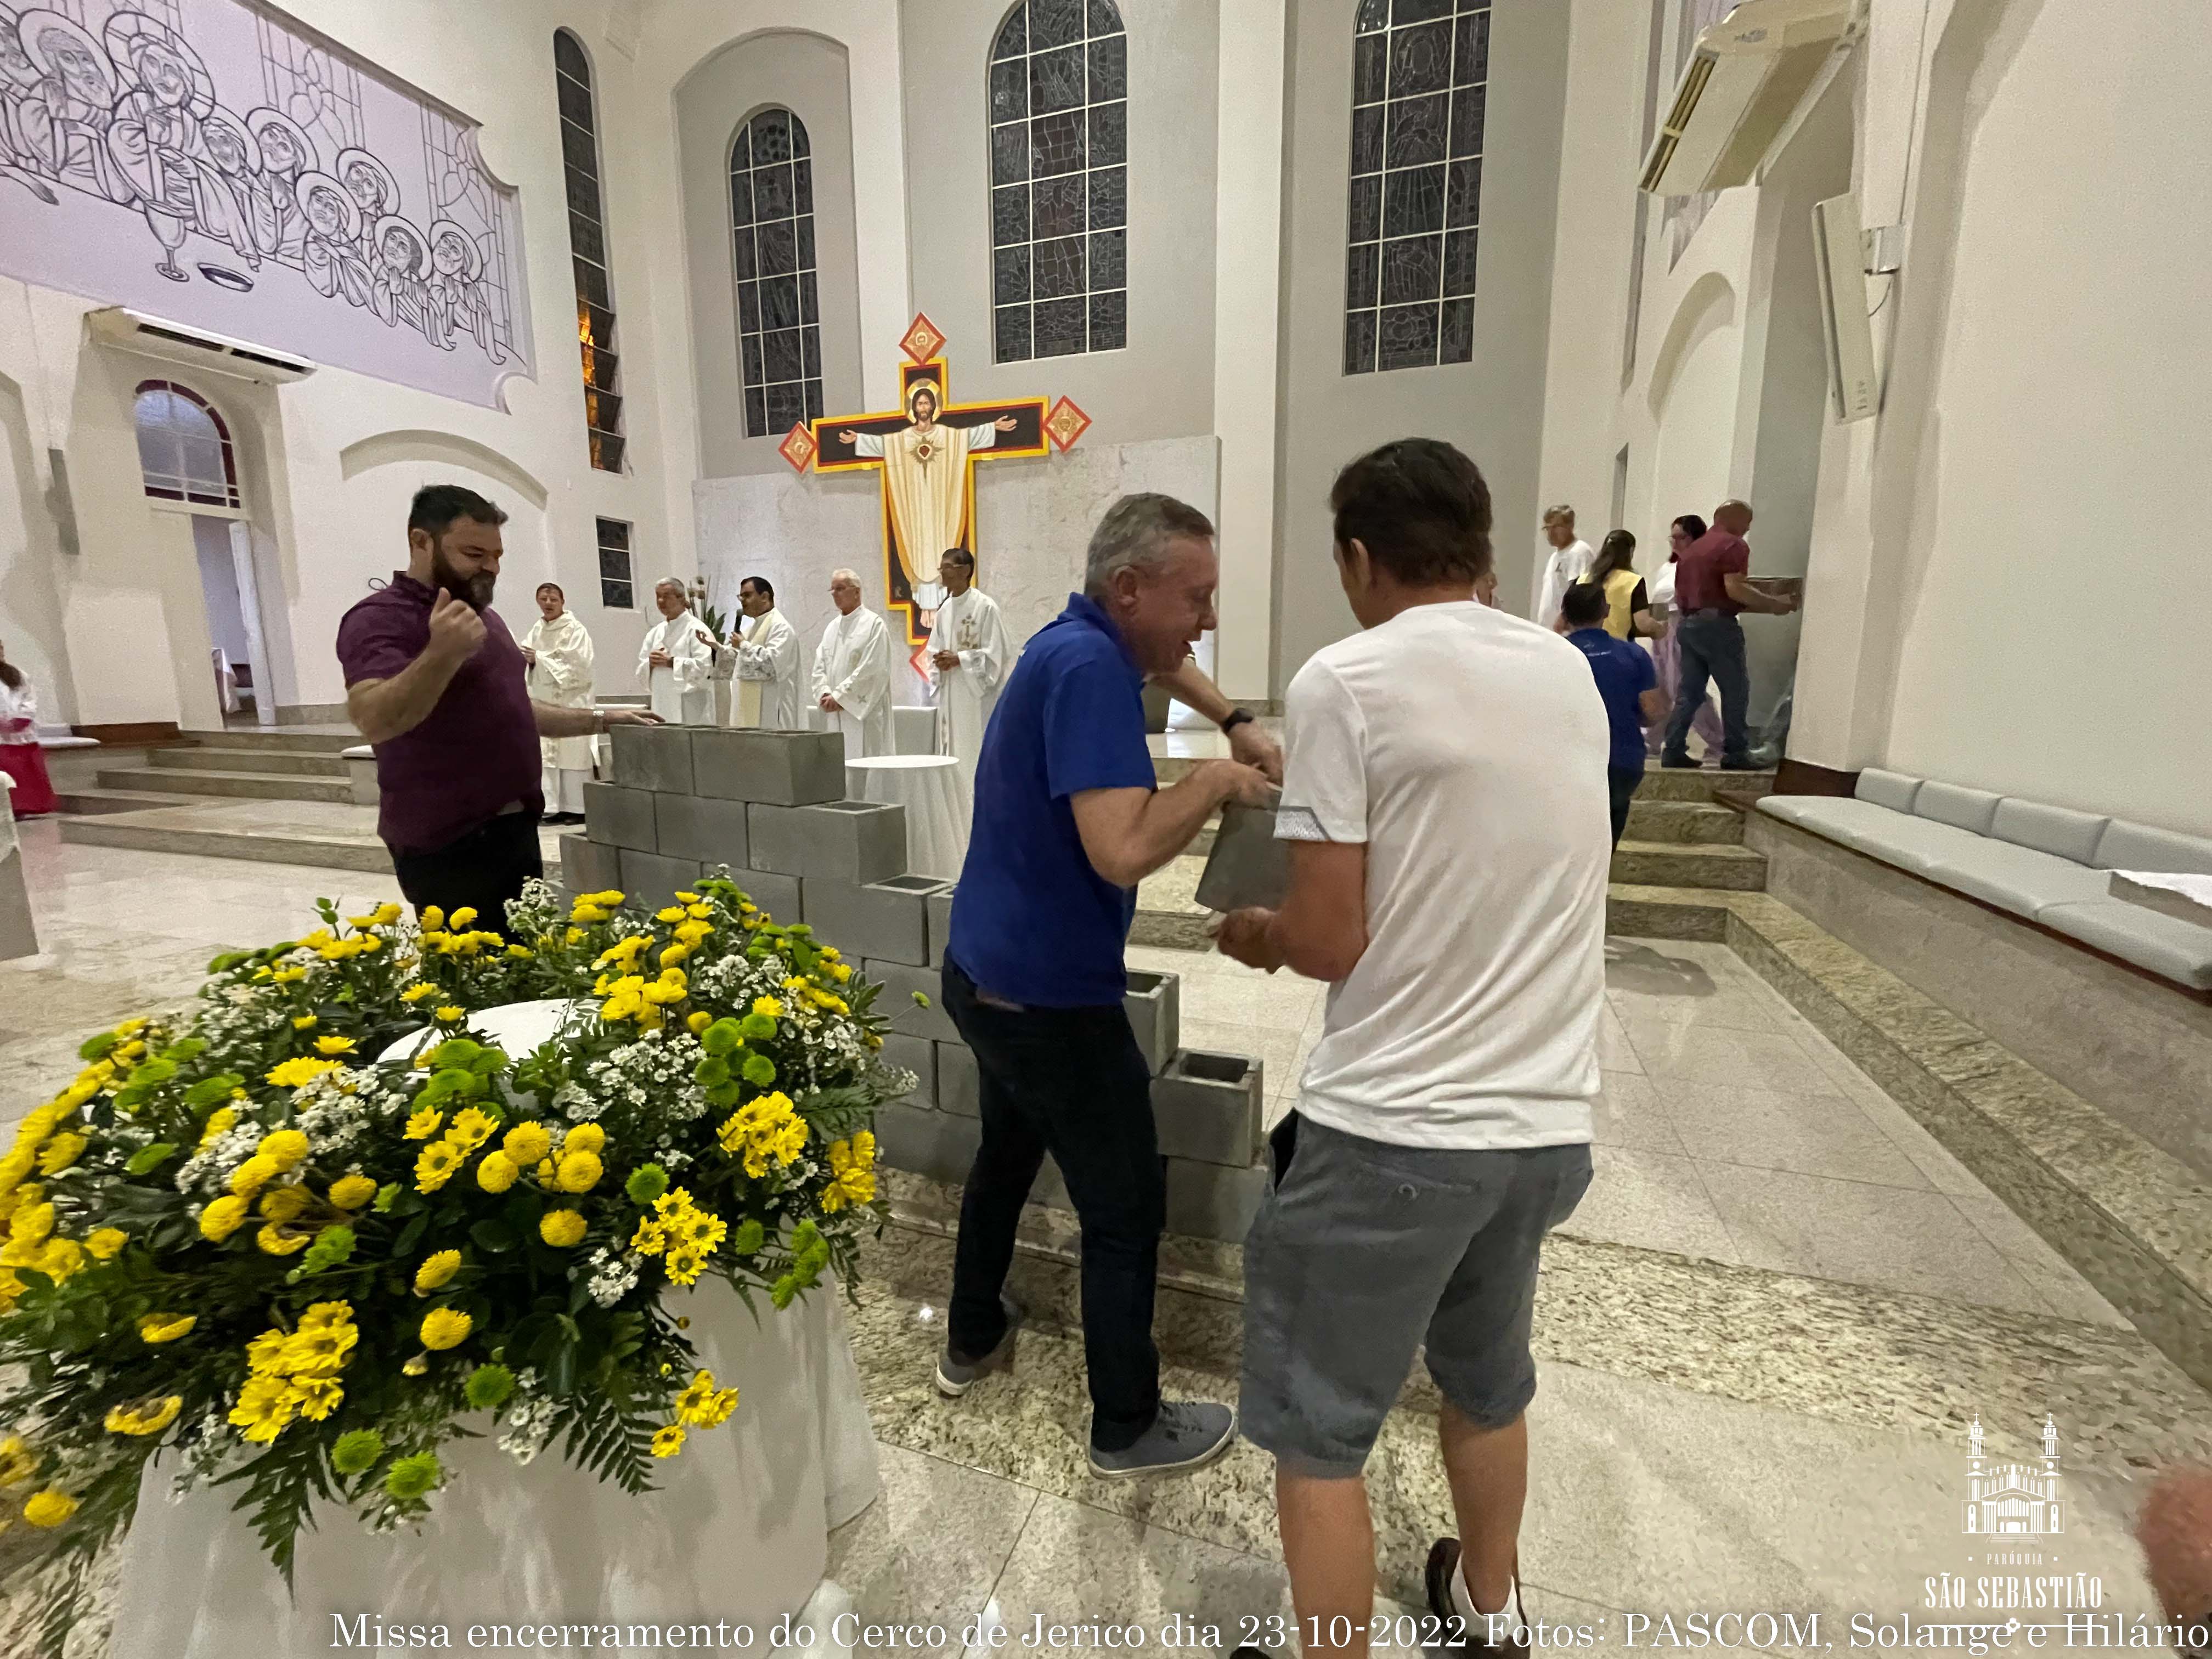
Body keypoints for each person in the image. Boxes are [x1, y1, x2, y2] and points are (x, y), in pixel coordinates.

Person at [1215, 439, 1605, 1659]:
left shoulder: (1347, 678)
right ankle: (1492, 1614)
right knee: (1487, 1380)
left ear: (1358, 556)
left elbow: (1330, 937)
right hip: (1544, 1124)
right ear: (1481, 548)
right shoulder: (1568, 672)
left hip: (1396, 1130)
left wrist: (1258, 934)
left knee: (1320, 1432)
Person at [938, 493, 1274, 1479]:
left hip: (984, 970)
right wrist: (1214, 780)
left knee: (1006, 1153)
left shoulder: (1076, 641)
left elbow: (1166, 661)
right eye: (1196, 597)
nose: (1207, 618)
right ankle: (1125, 1423)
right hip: (1052, 1000)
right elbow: (1121, 849)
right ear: (1128, 588)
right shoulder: (1089, 671)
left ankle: (970, 1333)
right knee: (1125, 1207)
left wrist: (1233, 718)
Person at [337, 486, 659, 927]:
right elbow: (373, 719)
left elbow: (511, 708)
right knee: (473, 965)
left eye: (497, 555)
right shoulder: (381, 618)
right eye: (474, 554)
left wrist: (602, 719)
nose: (491, 567)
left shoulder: (483, 617)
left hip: (513, 828)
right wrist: (441, 654)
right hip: (450, 840)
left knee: (520, 958)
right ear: (421, 542)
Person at [1659, 499, 1800, 770]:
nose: (1748, 528)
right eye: (1747, 522)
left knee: (1689, 692)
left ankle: (1673, 749)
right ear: (1733, 519)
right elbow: (1734, 589)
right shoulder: (1733, 545)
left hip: (1688, 625)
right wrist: (1775, 605)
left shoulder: (1692, 550)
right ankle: (1736, 752)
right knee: (1735, 689)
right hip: (1718, 627)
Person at [1562, 581, 1668, 848]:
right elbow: (1653, 711)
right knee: (1609, 830)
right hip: (1622, 758)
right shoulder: (1634, 654)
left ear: (1564, 615)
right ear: (1606, 611)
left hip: (1567, 761)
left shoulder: (1555, 653)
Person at [926, 547, 1012, 792]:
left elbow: (997, 654)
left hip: (975, 697)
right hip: (951, 694)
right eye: (941, 568)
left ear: (965, 571)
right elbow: (933, 647)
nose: (942, 573)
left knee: (975, 750)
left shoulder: (985, 607)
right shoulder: (945, 609)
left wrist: (960, 659)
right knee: (953, 754)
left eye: (948, 567)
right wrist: (939, 660)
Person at [1647, 515, 1725, 759]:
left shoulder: (1700, 566)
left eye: (1681, 537)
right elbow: (1658, 603)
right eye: (1673, 537)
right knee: (1660, 685)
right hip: (1662, 629)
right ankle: (1652, 740)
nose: (1675, 542)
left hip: (1683, 627)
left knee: (1685, 686)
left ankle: (1717, 740)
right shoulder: (1667, 568)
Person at [521, 582, 595, 826]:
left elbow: (580, 665)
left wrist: (539, 659)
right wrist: (530, 662)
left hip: (571, 701)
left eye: (553, 599)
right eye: (543, 599)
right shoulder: (536, 630)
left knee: (573, 755)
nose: (548, 603)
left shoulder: (575, 629)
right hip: (546, 700)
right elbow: (526, 658)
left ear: (563, 602)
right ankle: (552, 807)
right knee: (548, 756)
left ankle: (577, 809)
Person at [812, 568, 893, 760]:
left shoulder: (874, 625)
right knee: (838, 765)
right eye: (832, 590)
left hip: (862, 713)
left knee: (865, 764)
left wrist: (840, 697)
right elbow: (819, 666)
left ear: (857, 592)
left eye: (840, 589)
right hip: (834, 713)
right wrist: (824, 693)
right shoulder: (832, 628)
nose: (835, 594)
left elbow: (873, 670)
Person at [723, 575, 802, 730]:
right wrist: (716, 648)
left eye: (747, 595)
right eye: (741, 596)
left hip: (771, 711)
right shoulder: (752, 628)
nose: (742, 601)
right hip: (751, 711)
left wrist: (743, 645)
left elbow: (770, 665)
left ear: (765, 597)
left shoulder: (780, 628)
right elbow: (738, 664)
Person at [637, 578, 715, 725]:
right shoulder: (655, 633)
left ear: (681, 598)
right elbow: (641, 670)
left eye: (666, 596)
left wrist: (671, 662)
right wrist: (650, 664)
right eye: (658, 596)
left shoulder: (697, 629)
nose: (660, 601)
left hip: (691, 709)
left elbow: (706, 668)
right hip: (662, 704)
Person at [0, 640, 58, 817]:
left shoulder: (18, 675)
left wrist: (22, 718)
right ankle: (11, 809)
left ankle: (30, 806)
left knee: (26, 774)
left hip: (21, 732)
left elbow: (29, 698)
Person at [1582, 529, 1656, 642]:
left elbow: (1563, 622)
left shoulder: (1582, 580)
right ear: (1631, 551)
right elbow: (1643, 624)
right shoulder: (1633, 581)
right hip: (1617, 647)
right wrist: (1660, 629)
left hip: (1584, 646)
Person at [1531, 504, 1592, 628]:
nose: (1551, 533)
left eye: (1556, 527)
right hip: (1549, 630)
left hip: (1566, 631)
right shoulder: (1555, 557)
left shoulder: (1579, 552)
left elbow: (1580, 592)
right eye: (1547, 528)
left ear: (1570, 526)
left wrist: (1564, 618)